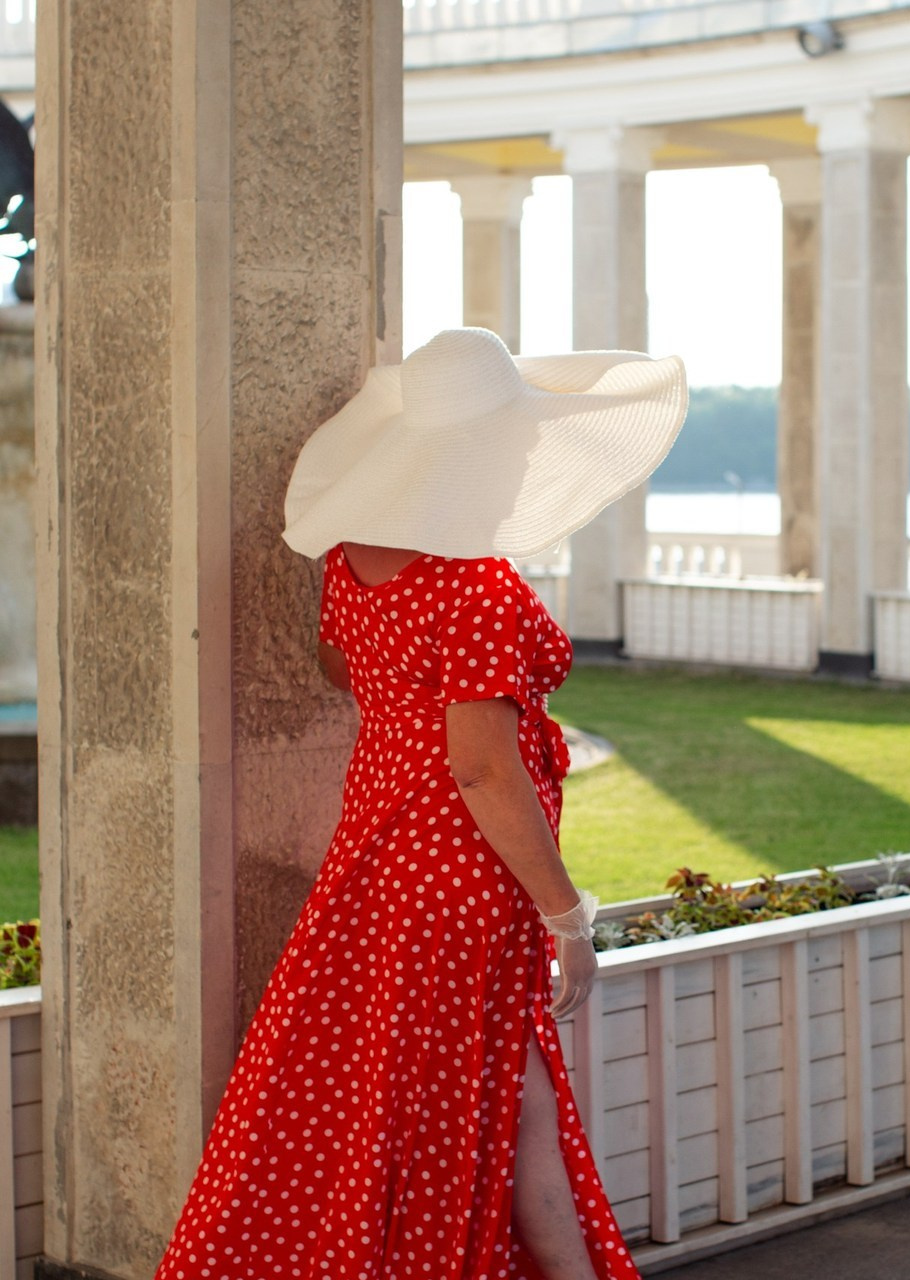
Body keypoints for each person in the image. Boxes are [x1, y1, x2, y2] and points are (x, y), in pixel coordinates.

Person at [153, 327, 688, 1280]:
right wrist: (567, 916)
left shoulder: (353, 556)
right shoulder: (476, 586)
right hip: (460, 869)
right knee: (497, 1096)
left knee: (445, 1092)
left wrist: (408, 695)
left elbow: (341, 664)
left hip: (377, 849)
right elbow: (483, 771)